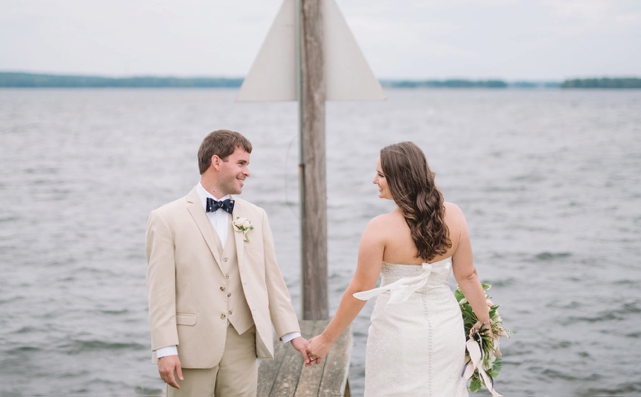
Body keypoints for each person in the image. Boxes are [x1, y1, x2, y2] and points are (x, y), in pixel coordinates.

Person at [305, 141, 493, 397]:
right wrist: (485, 326)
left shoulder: (379, 229)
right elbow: (467, 276)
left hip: (397, 333)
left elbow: (360, 289)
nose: (374, 180)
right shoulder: (455, 215)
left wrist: (325, 340)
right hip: (445, 330)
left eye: (381, 175)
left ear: (401, 180)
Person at [146, 129, 311, 396]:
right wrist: (165, 349)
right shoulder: (166, 218)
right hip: (191, 347)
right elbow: (160, 292)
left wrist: (292, 334)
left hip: (243, 345)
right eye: (241, 163)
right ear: (216, 162)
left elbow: (272, 280)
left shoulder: (256, 216)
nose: (247, 172)